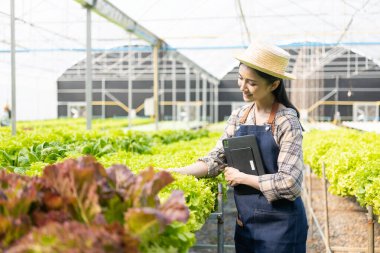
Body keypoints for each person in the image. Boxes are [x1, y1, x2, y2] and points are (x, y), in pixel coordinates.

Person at [169, 42, 308, 252]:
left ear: (274, 85)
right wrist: (177, 173)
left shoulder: (286, 121)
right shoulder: (239, 116)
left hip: (281, 227)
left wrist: (242, 178)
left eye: (251, 83)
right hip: (247, 224)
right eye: (241, 78)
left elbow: (290, 183)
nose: (242, 87)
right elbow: (216, 159)